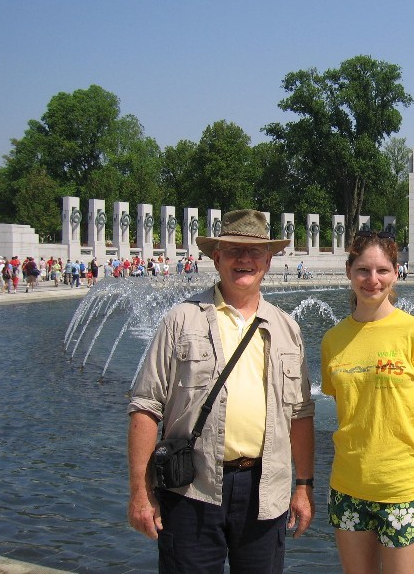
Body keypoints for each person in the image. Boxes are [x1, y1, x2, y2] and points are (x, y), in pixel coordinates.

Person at [127, 210, 316, 573]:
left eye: (254, 252)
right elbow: (146, 406)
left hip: (265, 490)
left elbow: (301, 413)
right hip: (191, 489)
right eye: (232, 250)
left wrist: (304, 486)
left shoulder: (287, 328)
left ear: (268, 260)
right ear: (216, 258)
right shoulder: (181, 319)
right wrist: (140, 490)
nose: (244, 259)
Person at [321, 230, 414, 574]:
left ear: (396, 272)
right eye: (363, 270)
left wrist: (407, 443)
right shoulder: (333, 339)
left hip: (404, 484)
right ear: (349, 271)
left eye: (382, 271)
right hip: (348, 482)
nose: (372, 280)